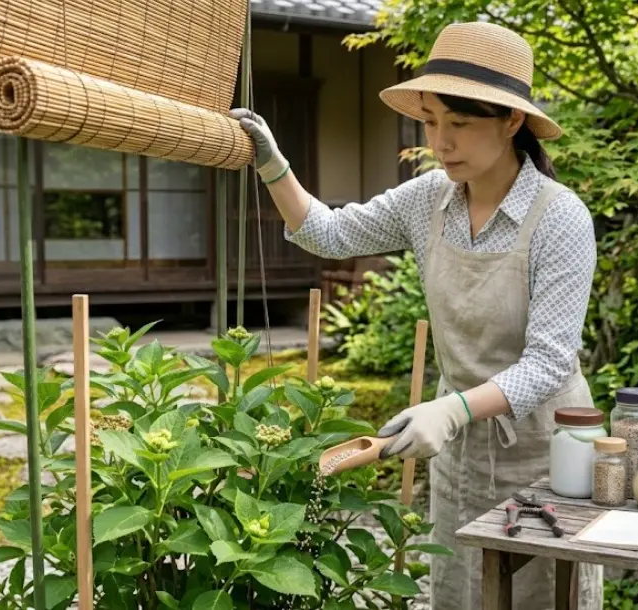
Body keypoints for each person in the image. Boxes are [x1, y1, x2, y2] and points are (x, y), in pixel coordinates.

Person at [230, 21, 601, 610]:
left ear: (511, 122)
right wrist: (274, 167)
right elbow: (329, 232)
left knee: (537, 594)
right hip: (454, 446)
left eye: (459, 124)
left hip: (546, 454)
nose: (440, 142)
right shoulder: (429, 198)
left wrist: (452, 409)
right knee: (458, 590)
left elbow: (550, 362)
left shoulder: (561, 218)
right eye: (431, 122)